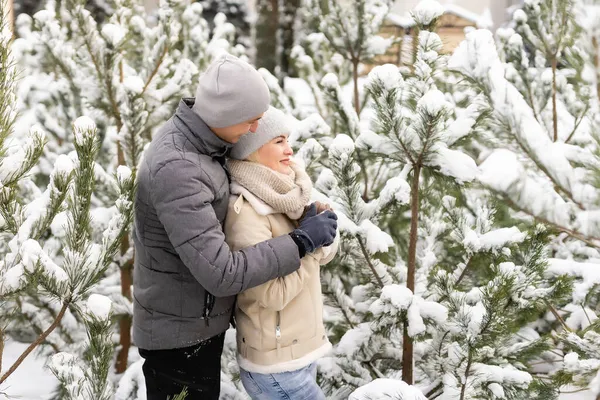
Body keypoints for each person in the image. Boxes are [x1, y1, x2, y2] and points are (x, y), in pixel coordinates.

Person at [132, 54, 338, 400]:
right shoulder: (178, 168)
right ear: (224, 116)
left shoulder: (204, 146)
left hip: (193, 327)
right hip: (177, 339)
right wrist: (301, 243)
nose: (256, 129)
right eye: (251, 120)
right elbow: (221, 272)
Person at [224, 106, 338, 400]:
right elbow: (272, 294)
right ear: (252, 150)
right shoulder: (247, 214)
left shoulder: (284, 196)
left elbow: (324, 254)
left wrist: (323, 230)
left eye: (289, 140)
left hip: (297, 353)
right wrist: (309, 244)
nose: (289, 151)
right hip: (275, 366)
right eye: (278, 142)